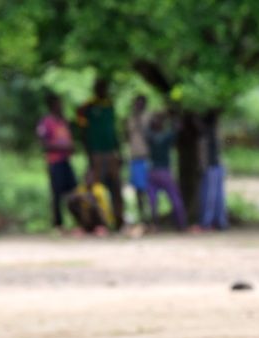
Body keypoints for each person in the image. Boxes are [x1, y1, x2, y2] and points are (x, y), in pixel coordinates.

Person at [76, 78, 124, 228]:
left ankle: (119, 220)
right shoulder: (88, 107)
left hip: (110, 152)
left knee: (116, 186)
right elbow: (82, 129)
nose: (103, 91)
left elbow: (113, 130)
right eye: (100, 88)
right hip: (96, 152)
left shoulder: (110, 105)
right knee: (95, 188)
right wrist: (89, 153)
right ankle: (95, 222)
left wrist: (118, 151)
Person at [35, 93, 77, 230]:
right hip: (55, 162)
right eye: (59, 103)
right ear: (52, 105)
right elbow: (44, 144)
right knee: (57, 193)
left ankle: (78, 221)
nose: (61, 106)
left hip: (66, 161)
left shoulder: (63, 122)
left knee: (73, 191)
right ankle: (58, 224)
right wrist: (63, 147)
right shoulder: (46, 122)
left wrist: (70, 148)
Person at [145, 113, 189, 231]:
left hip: (152, 172)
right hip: (164, 172)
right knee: (175, 198)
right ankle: (181, 224)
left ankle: (155, 225)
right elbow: (178, 128)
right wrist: (172, 117)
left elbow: (146, 130)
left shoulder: (150, 136)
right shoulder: (166, 136)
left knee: (153, 201)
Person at [197, 111, 227, 230]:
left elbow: (203, 153)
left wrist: (202, 166)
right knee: (217, 197)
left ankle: (207, 222)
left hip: (211, 168)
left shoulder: (207, 134)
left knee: (210, 197)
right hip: (215, 167)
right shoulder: (212, 133)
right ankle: (218, 222)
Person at [125, 94, 151, 223]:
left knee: (149, 189)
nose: (138, 105)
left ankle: (151, 217)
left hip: (147, 158)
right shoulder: (130, 119)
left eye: (141, 103)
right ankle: (143, 217)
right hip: (135, 158)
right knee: (138, 190)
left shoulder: (149, 118)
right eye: (136, 102)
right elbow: (127, 137)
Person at [66, 167, 114, 235]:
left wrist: (82, 196)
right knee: (71, 202)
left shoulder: (100, 188)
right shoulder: (81, 188)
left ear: (95, 179)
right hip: (87, 219)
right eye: (87, 177)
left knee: (92, 205)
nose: (88, 179)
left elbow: (93, 198)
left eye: (90, 177)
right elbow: (70, 197)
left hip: (101, 218)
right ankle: (84, 227)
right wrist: (79, 197)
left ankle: (101, 227)